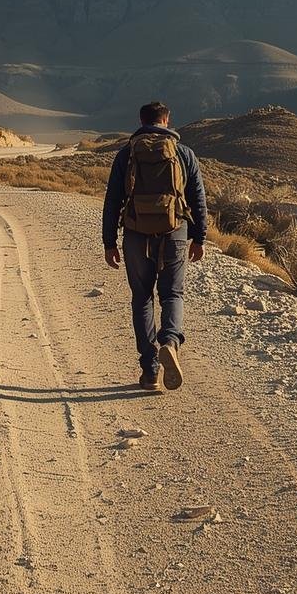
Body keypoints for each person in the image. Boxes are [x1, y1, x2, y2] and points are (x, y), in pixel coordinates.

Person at [101, 101, 208, 391]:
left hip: (136, 234)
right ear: (167, 119)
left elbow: (112, 201)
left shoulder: (126, 154)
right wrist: (200, 237)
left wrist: (109, 242)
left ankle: (149, 371)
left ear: (141, 120)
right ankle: (170, 342)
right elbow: (198, 199)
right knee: (172, 293)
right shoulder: (184, 153)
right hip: (174, 231)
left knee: (142, 297)